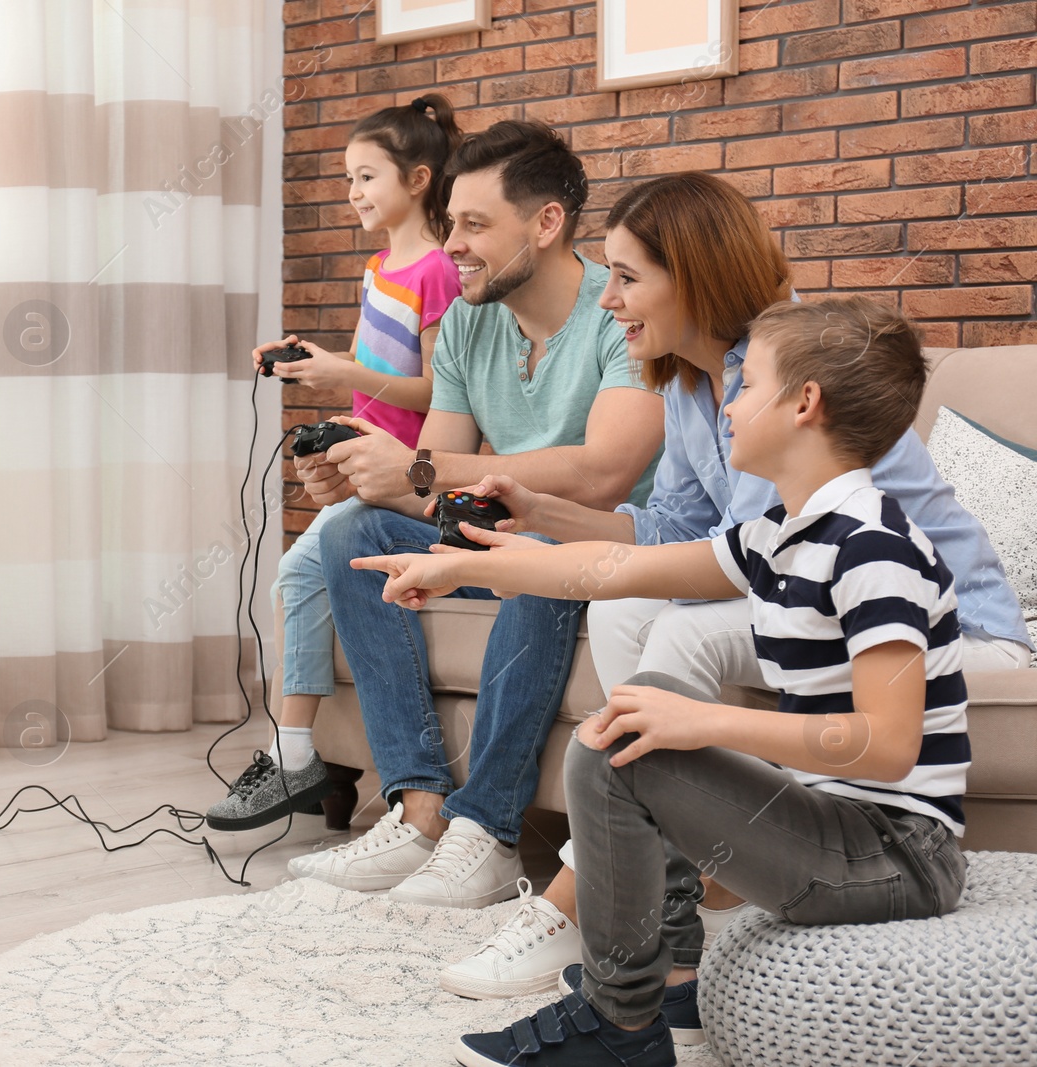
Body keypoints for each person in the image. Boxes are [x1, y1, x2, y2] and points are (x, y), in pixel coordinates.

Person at [420, 173, 1031, 1035]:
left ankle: (587, 925)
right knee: (627, 688)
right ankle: (652, 964)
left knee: (671, 649)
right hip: (832, 735)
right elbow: (655, 545)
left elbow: (871, 727)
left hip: (931, 727)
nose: (612, 302)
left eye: (628, 278)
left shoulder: (848, 510)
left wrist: (699, 723)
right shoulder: (737, 451)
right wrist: (507, 541)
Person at [356, 296, 975, 1066]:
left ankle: (619, 1026)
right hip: (837, 825)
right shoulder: (781, 536)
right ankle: (667, 985)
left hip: (898, 855)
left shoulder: (875, 549)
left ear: (805, 404)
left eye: (749, 387)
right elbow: (610, 568)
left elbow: (887, 745)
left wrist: (705, 724)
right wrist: (461, 567)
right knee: (623, 738)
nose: (731, 404)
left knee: (623, 745)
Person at [287, 121, 665, 906]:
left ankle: (488, 832)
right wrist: (359, 476)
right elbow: (434, 481)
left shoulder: (622, 313)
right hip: (502, 529)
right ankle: (418, 806)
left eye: (474, 225)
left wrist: (422, 468)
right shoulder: (467, 318)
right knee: (355, 533)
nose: (451, 243)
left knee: (525, 539)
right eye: (450, 222)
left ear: (547, 223)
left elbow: (603, 473)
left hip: (595, 540)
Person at [205, 95, 464, 830]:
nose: (352, 194)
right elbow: (373, 365)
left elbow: (440, 389)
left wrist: (345, 376)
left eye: (366, 178)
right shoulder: (381, 266)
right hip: (361, 454)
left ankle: (294, 758)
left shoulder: (438, 272)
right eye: (347, 180)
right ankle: (303, 758)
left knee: (295, 572)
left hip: (406, 467)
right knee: (304, 575)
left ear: (418, 179)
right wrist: (319, 364)